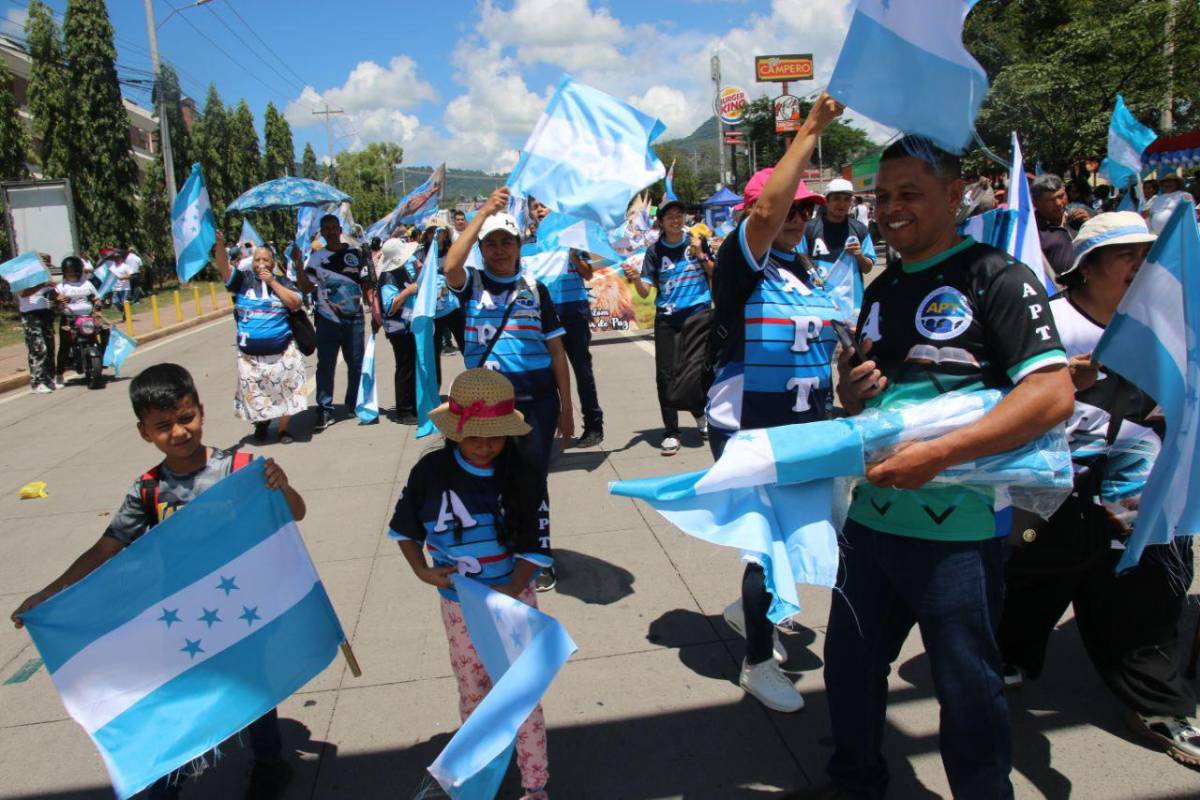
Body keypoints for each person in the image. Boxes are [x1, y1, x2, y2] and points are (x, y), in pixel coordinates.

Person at [819, 135, 1074, 800]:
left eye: (910, 194)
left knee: (967, 689)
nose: (891, 209)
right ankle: (855, 784)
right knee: (848, 672)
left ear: (955, 195)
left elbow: (1051, 394)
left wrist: (937, 455)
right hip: (871, 521)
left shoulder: (996, 276)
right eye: (882, 197)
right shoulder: (883, 287)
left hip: (957, 536)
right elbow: (870, 397)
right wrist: (850, 392)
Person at [10, 363, 304, 800]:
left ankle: (268, 761)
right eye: (163, 426)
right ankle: (175, 769)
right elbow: (108, 546)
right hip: (182, 615)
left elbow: (294, 513)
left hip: (242, 606)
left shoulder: (239, 469)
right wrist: (49, 592)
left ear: (201, 412)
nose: (179, 432)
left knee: (253, 687)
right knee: (181, 697)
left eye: (186, 418)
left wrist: (282, 486)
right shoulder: (148, 489)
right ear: (144, 432)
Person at [997, 211, 1200, 770]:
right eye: (1125, 254)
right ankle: (1009, 656)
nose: (1140, 265)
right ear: (1086, 268)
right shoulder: (1047, 322)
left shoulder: (1172, 322)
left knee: (1141, 597)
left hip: (1137, 490)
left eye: (1147, 254)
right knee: (1032, 582)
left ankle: (1159, 705)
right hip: (1048, 487)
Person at [705, 94, 845, 713]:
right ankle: (757, 662)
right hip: (751, 430)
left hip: (806, 429)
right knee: (768, 548)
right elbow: (764, 210)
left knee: (808, 535)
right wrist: (811, 127)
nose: (796, 214)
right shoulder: (743, 265)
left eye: (806, 208)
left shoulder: (808, 271)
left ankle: (745, 611)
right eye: (789, 205)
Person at [389, 368, 553, 799]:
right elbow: (405, 530)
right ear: (455, 431)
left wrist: (512, 587)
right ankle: (477, 779)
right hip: (459, 606)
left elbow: (536, 547)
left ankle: (535, 786)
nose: (485, 447)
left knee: (523, 697)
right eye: (475, 437)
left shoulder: (524, 473)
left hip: (514, 603)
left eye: (495, 437)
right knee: (473, 694)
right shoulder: (430, 472)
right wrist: (422, 571)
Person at [443, 187, 573, 593]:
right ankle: (494, 551)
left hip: (535, 400)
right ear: (481, 248)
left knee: (532, 482)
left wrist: (568, 408)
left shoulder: (537, 289)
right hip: (482, 402)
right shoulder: (472, 283)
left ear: (520, 246)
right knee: (483, 478)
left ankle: (537, 556)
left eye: (507, 242)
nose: (499, 250)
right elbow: (449, 266)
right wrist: (483, 213)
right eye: (491, 243)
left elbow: (556, 350)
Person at [623, 198, 713, 455]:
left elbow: (714, 273)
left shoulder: (696, 242)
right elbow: (644, 292)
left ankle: (700, 415)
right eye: (670, 216)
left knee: (695, 373)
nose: (676, 220)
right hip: (666, 318)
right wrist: (636, 279)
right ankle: (671, 432)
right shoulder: (654, 252)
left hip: (697, 314)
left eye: (679, 215)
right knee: (665, 376)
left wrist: (702, 255)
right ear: (660, 222)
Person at [525, 197, 605, 448]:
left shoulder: (572, 238)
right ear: (530, 212)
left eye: (543, 205)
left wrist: (572, 254)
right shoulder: (527, 245)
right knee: (547, 376)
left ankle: (593, 426)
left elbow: (588, 273)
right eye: (535, 206)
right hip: (543, 316)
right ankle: (551, 427)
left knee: (582, 371)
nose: (540, 209)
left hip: (573, 312)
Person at [214, 232, 307, 444]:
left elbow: (295, 303)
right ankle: (262, 423)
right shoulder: (243, 281)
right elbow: (224, 267)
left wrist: (273, 282)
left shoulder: (284, 282)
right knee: (257, 394)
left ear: (273, 263)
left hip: (282, 351)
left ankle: (283, 430)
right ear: (251, 263)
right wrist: (220, 245)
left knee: (287, 391)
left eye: (266, 259)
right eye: (257, 259)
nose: (261, 263)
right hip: (250, 356)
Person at [295, 214, 376, 432]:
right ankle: (324, 408)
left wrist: (375, 309)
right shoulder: (316, 258)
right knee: (326, 365)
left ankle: (354, 403)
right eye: (326, 228)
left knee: (356, 364)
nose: (330, 231)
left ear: (340, 229)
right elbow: (305, 287)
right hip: (327, 321)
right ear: (321, 232)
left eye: (334, 227)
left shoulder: (355, 253)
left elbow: (366, 284)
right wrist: (297, 263)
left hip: (354, 319)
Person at [377, 238, 419, 424]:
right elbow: (389, 306)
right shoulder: (388, 278)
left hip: (407, 326)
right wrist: (408, 292)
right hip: (399, 330)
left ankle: (411, 405)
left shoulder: (399, 271)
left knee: (410, 367)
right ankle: (403, 410)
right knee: (404, 369)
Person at [54, 256, 108, 385]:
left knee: (105, 331)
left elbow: (96, 299)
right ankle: (59, 373)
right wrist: (58, 301)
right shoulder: (61, 286)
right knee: (65, 346)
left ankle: (101, 357)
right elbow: (55, 303)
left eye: (73, 270)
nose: (71, 273)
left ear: (79, 270)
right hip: (69, 319)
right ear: (64, 272)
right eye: (68, 271)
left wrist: (98, 307)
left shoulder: (87, 283)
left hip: (88, 317)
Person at [804, 177, 875, 275]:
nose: (842, 204)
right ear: (827, 201)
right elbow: (799, 262)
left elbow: (867, 269)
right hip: (819, 290)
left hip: (853, 290)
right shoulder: (809, 229)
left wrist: (859, 256)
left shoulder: (860, 229)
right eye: (837, 199)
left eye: (847, 199)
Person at [17, 267, 58, 394]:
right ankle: (37, 382)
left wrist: (55, 289)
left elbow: (52, 295)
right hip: (30, 316)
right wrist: (42, 285)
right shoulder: (22, 279)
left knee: (50, 347)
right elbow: (23, 293)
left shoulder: (44, 277)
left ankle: (49, 379)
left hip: (45, 313)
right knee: (38, 348)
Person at [1032, 173, 1077, 277]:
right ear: (1036, 203)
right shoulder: (1032, 231)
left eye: (1061, 196)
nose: (1058, 203)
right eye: (1051, 200)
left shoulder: (1079, 217)